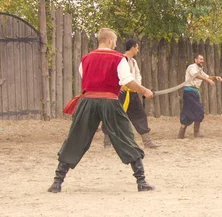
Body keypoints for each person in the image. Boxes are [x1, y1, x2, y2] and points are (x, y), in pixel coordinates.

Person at [48, 28, 155, 193]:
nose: (115, 45)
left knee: (76, 138)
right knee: (125, 137)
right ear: (110, 41)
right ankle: (141, 181)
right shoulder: (119, 59)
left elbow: (87, 79)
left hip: (88, 102)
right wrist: (144, 90)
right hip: (110, 102)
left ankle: (57, 182)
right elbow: (128, 81)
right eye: (115, 42)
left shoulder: (85, 59)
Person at [103, 39, 158, 149]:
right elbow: (113, 74)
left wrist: (139, 88)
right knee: (113, 116)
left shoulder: (133, 62)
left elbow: (137, 76)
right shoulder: (120, 59)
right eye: (137, 48)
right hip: (120, 94)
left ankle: (147, 141)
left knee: (140, 115)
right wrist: (118, 87)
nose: (137, 50)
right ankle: (107, 143)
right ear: (132, 48)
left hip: (132, 93)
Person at [178, 54, 222, 139]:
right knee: (199, 111)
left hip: (194, 93)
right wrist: (208, 80)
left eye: (203, 59)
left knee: (187, 112)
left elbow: (207, 76)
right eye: (200, 59)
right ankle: (196, 132)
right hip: (189, 92)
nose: (202, 61)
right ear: (195, 60)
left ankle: (181, 134)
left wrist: (215, 77)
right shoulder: (192, 67)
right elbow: (195, 75)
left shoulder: (200, 70)